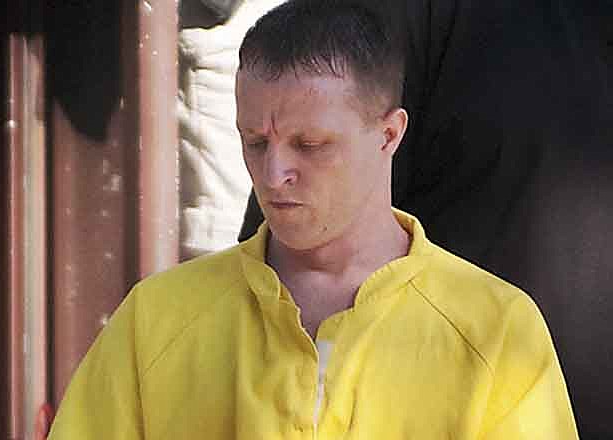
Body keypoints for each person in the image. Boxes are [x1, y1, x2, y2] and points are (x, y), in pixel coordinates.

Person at [47, 1, 579, 438]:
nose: (274, 173)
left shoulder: (496, 329)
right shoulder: (154, 320)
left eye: (310, 144)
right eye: (254, 141)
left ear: (389, 135)